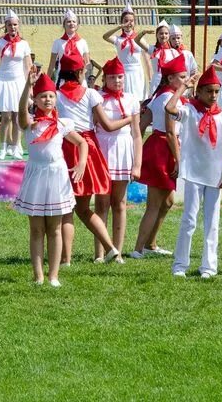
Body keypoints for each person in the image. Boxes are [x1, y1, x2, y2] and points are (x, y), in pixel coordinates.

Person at [166, 66, 222, 279]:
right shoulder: (190, 111)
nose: (213, 96)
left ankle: (209, 266)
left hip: (216, 175)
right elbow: (170, 108)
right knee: (189, 219)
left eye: (216, 91)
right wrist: (183, 87)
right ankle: (180, 264)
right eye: (208, 91)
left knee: (212, 221)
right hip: (193, 173)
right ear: (198, 92)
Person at [55, 50, 130, 264]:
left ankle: (66, 259)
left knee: (67, 208)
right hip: (87, 147)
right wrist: (129, 119)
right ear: (80, 72)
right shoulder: (90, 94)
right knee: (82, 207)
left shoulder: (56, 95)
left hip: (65, 147)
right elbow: (106, 124)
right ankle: (109, 248)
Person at [12, 72, 87, 287]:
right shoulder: (31, 124)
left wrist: (81, 163)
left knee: (55, 228)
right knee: (36, 229)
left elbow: (82, 143)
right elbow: (21, 113)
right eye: (42, 96)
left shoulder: (62, 123)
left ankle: (54, 275)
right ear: (35, 100)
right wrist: (27, 86)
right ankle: (38, 276)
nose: (47, 100)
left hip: (57, 176)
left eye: (51, 96)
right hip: (36, 176)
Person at [132, 53, 190, 258]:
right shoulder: (166, 98)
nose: (185, 80)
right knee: (155, 203)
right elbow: (170, 131)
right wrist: (178, 158)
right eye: (181, 77)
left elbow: (142, 124)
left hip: (159, 146)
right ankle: (139, 248)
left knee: (167, 202)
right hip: (164, 148)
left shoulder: (160, 96)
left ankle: (150, 243)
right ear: (170, 79)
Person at [93, 57, 144, 257]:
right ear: (105, 78)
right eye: (113, 77)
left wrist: (137, 164)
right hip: (102, 150)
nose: (117, 81)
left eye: (120, 77)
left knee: (120, 203)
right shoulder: (97, 98)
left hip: (123, 151)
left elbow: (137, 134)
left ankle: (118, 250)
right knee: (102, 203)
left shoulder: (131, 100)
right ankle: (100, 252)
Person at [0, 9, 33, 160]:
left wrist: (29, 88)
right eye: (9, 25)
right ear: (6, 26)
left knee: (17, 116)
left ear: (19, 25)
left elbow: (28, 66)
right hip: (4, 80)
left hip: (18, 82)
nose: (12, 27)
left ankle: (16, 146)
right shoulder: (0, 42)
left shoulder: (24, 44)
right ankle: (3, 148)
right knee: (5, 117)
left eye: (15, 24)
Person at [102, 3, 147, 99]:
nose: (129, 23)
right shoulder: (118, 39)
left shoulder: (140, 39)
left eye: (131, 21)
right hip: (123, 72)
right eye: (126, 21)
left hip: (137, 72)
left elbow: (146, 56)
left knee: (138, 98)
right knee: (124, 98)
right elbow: (105, 37)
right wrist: (119, 27)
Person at [48, 9, 90, 83]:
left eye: (74, 21)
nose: (71, 23)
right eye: (68, 21)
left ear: (77, 25)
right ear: (64, 25)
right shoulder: (57, 42)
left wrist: (82, 79)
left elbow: (87, 63)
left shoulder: (83, 42)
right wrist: (47, 81)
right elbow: (51, 65)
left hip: (79, 80)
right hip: (63, 80)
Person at [137, 20, 178, 93]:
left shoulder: (174, 52)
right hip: (156, 81)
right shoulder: (153, 49)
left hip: (170, 81)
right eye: (161, 33)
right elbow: (137, 40)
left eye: (166, 33)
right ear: (157, 35)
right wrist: (144, 32)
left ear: (169, 35)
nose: (164, 36)